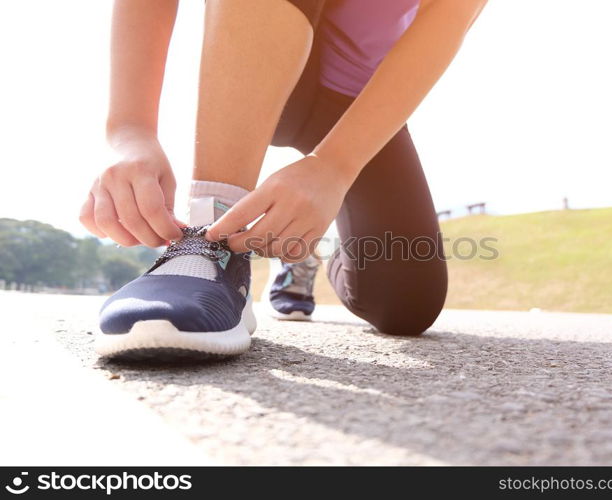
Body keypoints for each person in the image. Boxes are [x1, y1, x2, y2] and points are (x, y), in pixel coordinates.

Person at [80, 0, 487, 360]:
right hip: (252, 59)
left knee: (406, 304)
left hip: (355, 102)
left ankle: (298, 252)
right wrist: (131, 133)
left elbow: (450, 15)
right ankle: (211, 241)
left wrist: (336, 165)